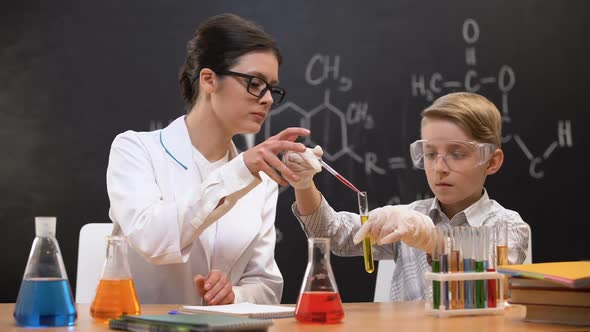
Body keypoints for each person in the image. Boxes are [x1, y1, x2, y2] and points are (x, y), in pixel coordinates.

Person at [106, 13, 310, 305]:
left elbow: (265, 285)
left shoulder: (260, 181)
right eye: (255, 83)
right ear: (209, 79)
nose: (266, 99)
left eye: (272, 88)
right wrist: (238, 172)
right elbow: (151, 239)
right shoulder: (136, 149)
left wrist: (234, 295)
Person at [284, 92, 530, 301]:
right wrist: (304, 184)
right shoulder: (409, 216)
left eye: (457, 154)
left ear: (492, 161)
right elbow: (334, 235)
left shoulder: (508, 225)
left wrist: (434, 242)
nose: (440, 167)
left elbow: (488, 282)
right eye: (431, 154)